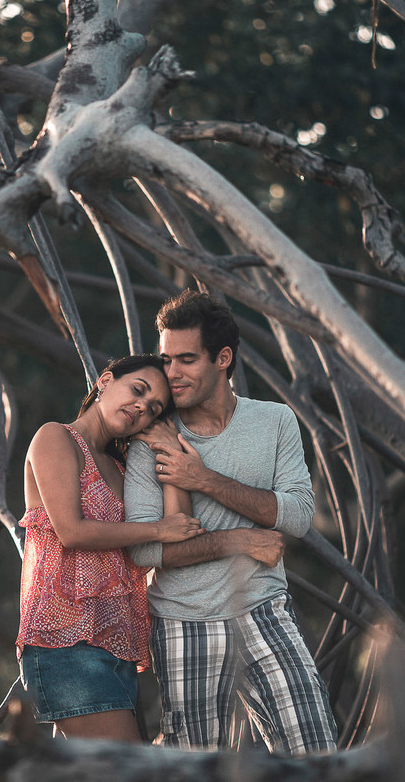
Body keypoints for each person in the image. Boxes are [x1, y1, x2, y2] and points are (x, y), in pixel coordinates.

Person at [125, 290, 338, 754]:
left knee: (315, 750)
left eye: (186, 359)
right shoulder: (151, 438)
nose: (171, 373)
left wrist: (202, 478)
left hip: (263, 609)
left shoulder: (275, 421)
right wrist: (238, 540)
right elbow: (144, 550)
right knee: (196, 767)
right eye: (166, 360)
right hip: (182, 622)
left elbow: (298, 516)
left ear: (223, 358)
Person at [16, 354, 205, 742]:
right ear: (104, 381)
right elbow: (72, 531)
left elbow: (180, 529)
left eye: (154, 408)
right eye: (138, 390)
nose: (141, 406)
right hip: (65, 640)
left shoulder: (122, 468)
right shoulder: (56, 437)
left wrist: (169, 449)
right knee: (129, 769)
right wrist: (158, 529)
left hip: (116, 646)